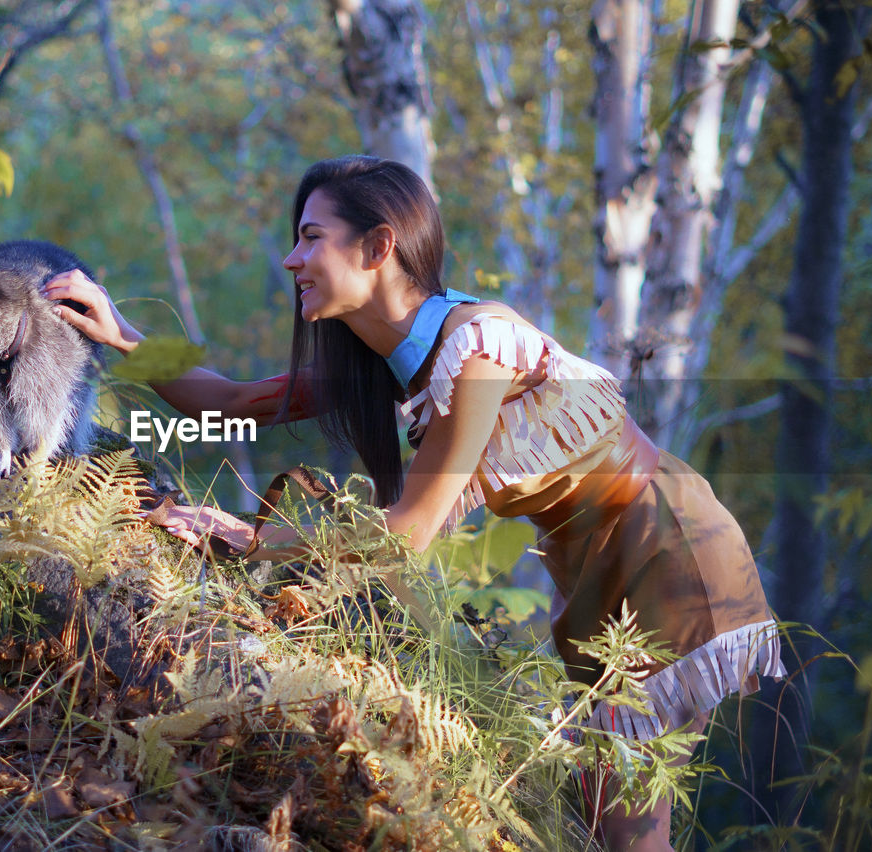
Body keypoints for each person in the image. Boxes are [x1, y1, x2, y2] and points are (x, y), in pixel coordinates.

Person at [44, 155, 784, 850]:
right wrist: (121, 336)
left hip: (668, 551)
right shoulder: (391, 362)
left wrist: (251, 540)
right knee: (606, 807)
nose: (292, 259)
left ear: (378, 247)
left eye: (310, 238)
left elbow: (412, 531)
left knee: (618, 808)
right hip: (595, 576)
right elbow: (232, 403)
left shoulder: (478, 348)